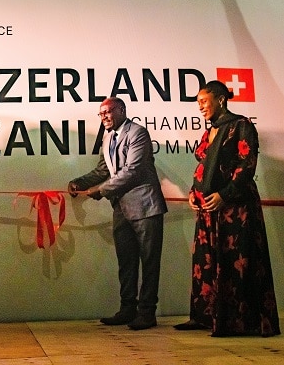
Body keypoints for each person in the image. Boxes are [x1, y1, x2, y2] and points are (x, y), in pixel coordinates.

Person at [174, 81, 280, 337]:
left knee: (236, 263)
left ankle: (239, 322)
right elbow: (202, 168)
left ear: (220, 100)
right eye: (197, 102)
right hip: (209, 209)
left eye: (203, 101)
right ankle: (206, 316)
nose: (199, 106)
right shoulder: (210, 131)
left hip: (236, 209)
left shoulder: (241, 126)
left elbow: (247, 165)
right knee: (207, 262)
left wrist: (224, 195)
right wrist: (193, 192)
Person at [68, 97, 167, 330]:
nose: (104, 117)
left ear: (122, 110)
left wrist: (100, 191)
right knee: (126, 261)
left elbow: (132, 170)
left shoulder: (137, 133)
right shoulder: (107, 138)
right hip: (121, 208)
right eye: (100, 114)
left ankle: (147, 313)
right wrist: (79, 182)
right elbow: (104, 170)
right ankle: (127, 310)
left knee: (149, 262)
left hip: (145, 207)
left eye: (108, 112)